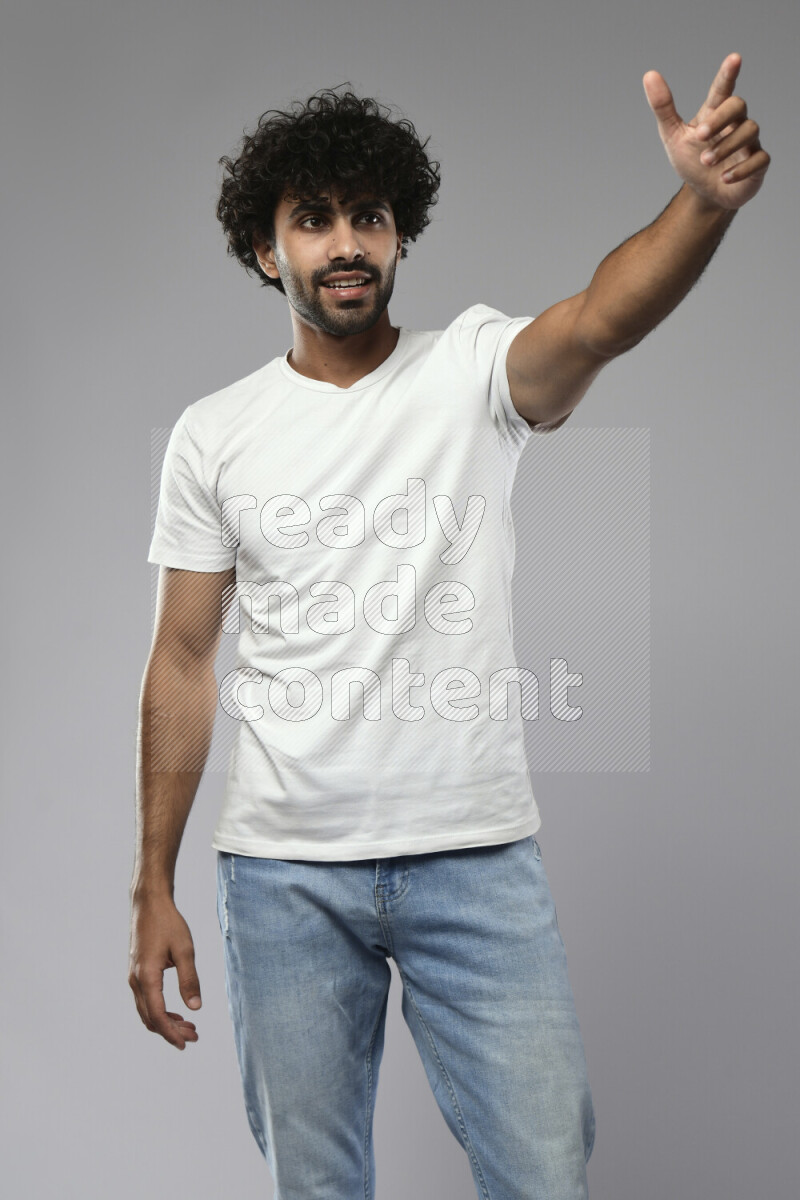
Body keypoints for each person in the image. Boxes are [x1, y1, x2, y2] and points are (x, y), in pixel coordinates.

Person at [129, 55, 769, 1200]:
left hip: (472, 860)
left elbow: (600, 316)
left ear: (399, 237)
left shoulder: (470, 369)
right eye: (312, 220)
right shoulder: (212, 434)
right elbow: (181, 659)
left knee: (541, 1174)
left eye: (367, 218)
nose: (345, 245)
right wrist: (152, 884)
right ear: (263, 250)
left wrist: (700, 204)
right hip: (282, 878)